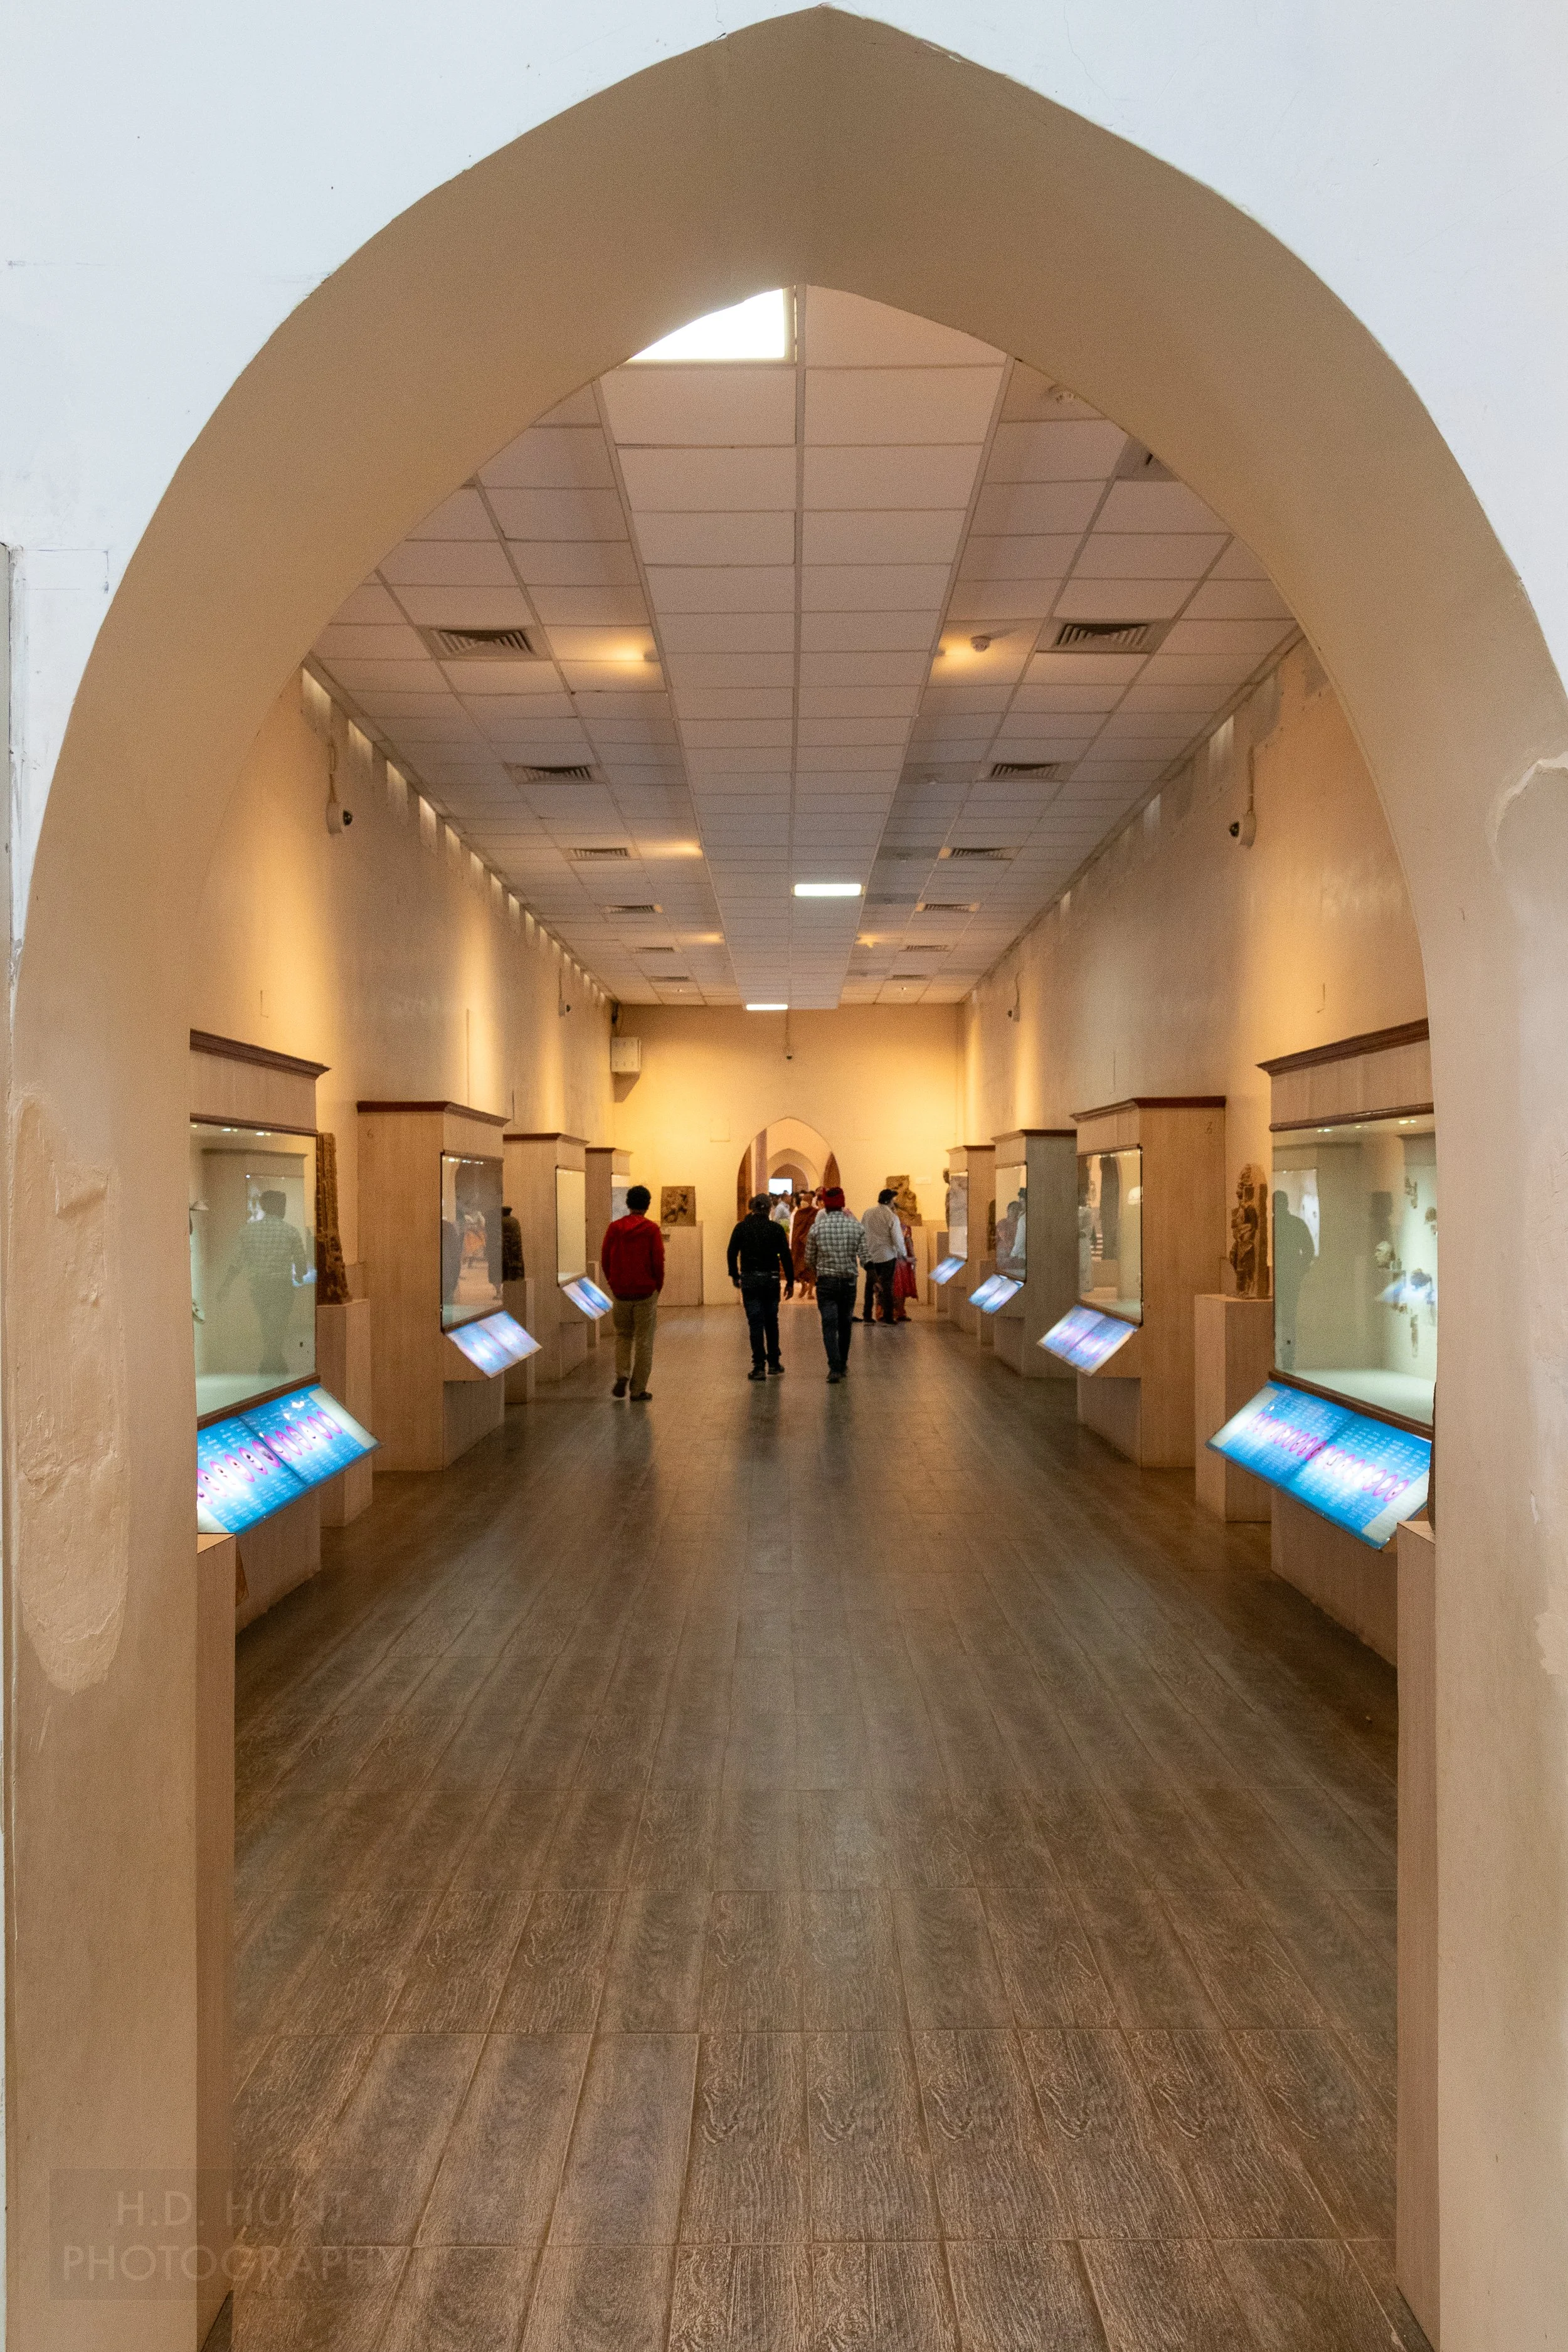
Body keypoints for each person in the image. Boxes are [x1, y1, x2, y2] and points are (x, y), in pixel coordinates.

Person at [218, 1189, 313, 1375]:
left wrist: (226, 1286)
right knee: (279, 1324)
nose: (284, 1209)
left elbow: (236, 1262)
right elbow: (301, 1262)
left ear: (263, 1206)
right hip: (282, 1287)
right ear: (279, 1207)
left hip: (259, 1287)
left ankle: (271, 1363)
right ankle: (274, 1363)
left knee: (266, 1324)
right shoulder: (291, 1232)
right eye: (283, 1205)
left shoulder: (247, 1231)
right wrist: (300, 1276)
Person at [600, 1182, 664, 1399]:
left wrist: (613, 1282)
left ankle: (622, 1374)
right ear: (647, 1205)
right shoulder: (651, 1229)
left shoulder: (615, 1228)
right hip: (645, 1291)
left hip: (621, 1291)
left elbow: (606, 1258)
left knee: (623, 1336)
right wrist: (657, 1286)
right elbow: (658, 1261)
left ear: (628, 1204)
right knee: (644, 1342)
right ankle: (638, 1390)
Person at [727, 1192, 795, 1379]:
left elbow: (732, 1253)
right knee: (772, 1322)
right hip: (771, 1280)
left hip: (750, 1279)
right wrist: (790, 1281)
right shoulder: (775, 1229)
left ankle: (758, 1366)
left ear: (752, 1208)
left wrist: (735, 1275)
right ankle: (774, 1363)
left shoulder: (742, 1228)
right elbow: (786, 1256)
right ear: (770, 1209)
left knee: (755, 1323)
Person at [805, 1187, 868, 1382]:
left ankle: (834, 1367)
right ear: (842, 1204)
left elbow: (809, 1260)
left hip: (827, 1283)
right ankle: (843, 1362)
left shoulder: (817, 1228)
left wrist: (820, 1267)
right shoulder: (856, 1227)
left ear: (825, 1204)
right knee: (845, 1323)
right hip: (849, 1282)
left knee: (829, 1324)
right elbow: (865, 1257)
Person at [859, 1188, 908, 1324]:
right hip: (887, 1256)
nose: (894, 1203)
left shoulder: (868, 1213)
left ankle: (867, 1315)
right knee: (887, 1286)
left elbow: (862, 1231)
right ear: (889, 1201)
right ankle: (888, 1317)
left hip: (870, 1255)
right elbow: (897, 1238)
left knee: (869, 1286)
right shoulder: (892, 1217)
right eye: (893, 1200)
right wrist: (903, 1253)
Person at [891, 1210, 918, 1322]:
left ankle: (898, 1312)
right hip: (899, 1261)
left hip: (898, 1261)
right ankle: (897, 1312)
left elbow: (909, 1242)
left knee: (899, 1287)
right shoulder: (901, 1227)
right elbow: (909, 1243)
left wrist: (913, 1258)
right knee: (898, 1287)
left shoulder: (903, 1228)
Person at [790, 1191, 819, 1298]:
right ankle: (803, 1285)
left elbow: (814, 1228)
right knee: (797, 1269)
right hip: (798, 1246)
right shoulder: (798, 1214)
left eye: (806, 1201)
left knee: (811, 1269)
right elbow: (795, 1230)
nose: (803, 1204)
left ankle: (810, 1290)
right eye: (802, 1202)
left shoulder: (815, 1213)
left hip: (809, 1245)